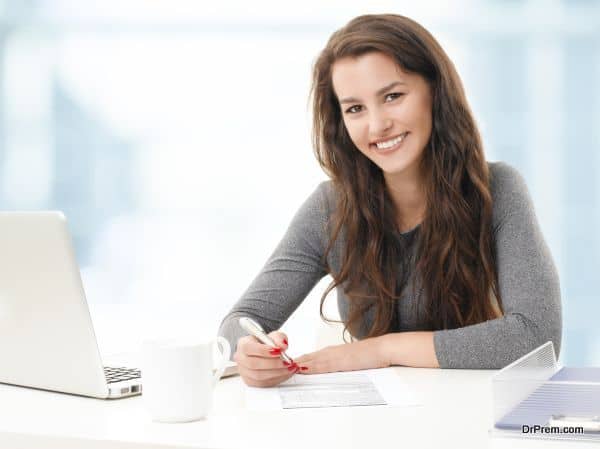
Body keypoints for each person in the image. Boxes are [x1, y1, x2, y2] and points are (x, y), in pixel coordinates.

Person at [217, 13, 562, 387]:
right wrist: (251, 354)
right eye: (355, 109)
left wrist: (380, 351)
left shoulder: (498, 190)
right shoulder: (330, 207)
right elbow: (241, 322)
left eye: (393, 96)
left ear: (435, 91)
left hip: (475, 420)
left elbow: (536, 340)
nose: (377, 125)